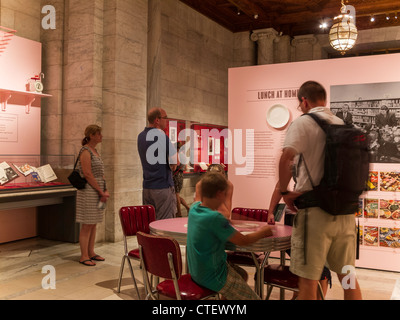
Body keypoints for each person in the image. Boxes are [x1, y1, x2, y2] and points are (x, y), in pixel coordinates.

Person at [278, 81, 362, 300]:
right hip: (345, 213)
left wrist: (285, 193)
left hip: (315, 215)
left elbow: (286, 157)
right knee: (348, 277)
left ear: (304, 101)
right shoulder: (342, 123)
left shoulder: (304, 123)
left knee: (308, 281)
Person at [187, 172, 273, 300]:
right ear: (220, 194)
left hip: (197, 272)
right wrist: (264, 232)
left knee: (241, 274)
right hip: (214, 275)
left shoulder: (194, 208)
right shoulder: (215, 218)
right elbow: (243, 240)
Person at [268, 181, 332, 299]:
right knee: (301, 261)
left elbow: (281, 187)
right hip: (301, 216)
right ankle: (298, 295)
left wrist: (290, 197)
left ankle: (313, 296)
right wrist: (271, 211)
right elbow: (280, 186)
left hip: (315, 218)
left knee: (319, 264)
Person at [76, 125, 109, 266]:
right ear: (91, 135)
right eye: (98, 133)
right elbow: (88, 174)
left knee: (93, 223)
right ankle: (83, 255)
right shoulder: (85, 151)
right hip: (89, 191)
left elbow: (99, 173)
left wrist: (104, 189)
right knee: (87, 224)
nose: (101, 136)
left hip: (97, 189)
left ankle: (91, 251)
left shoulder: (95, 151)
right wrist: (100, 190)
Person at [137, 108, 178, 220]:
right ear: (157, 120)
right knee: (165, 224)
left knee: (150, 222)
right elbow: (175, 160)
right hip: (162, 187)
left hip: (147, 187)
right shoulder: (161, 135)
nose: (167, 120)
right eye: (165, 118)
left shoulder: (140, 136)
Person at [173, 142, 190, 217]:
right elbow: (186, 168)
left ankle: (179, 212)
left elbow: (175, 165)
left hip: (176, 175)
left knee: (176, 195)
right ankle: (187, 207)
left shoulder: (177, 154)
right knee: (176, 195)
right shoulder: (183, 155)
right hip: (181, 175)